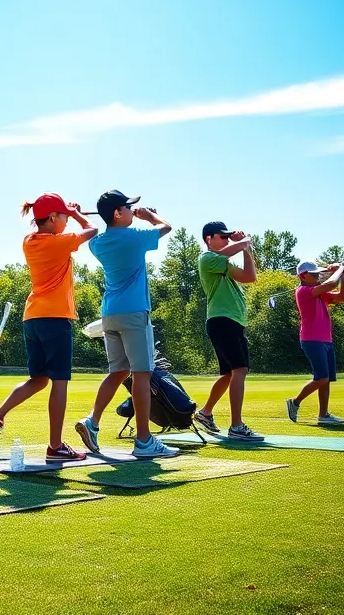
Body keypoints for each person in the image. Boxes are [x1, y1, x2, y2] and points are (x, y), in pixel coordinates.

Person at [0, 193, 97, 461]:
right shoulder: (59, 243)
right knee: (59, 381)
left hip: (32, 317)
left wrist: (69, 212)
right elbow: (93, 230)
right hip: (55, 318)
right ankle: (55, 446)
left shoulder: (30, 241)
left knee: (39, 379)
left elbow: (67, 231)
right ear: (52, 218)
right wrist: (79, 215)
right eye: (63, 217)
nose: (67, 221)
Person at [73, 190, 179, 459]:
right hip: (134, 313)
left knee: (118, 372)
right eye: (129, 208)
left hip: (110, 315)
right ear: (118, 214)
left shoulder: (97, 244)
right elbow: (165, 227)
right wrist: (149, 215)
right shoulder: (133, 237)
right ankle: (144, 441)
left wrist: (75, 215)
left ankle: (92, 421)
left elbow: (93, 230)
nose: (133, 211)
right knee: (142, 374)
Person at [194, 221, 263, 441]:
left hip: (231, 321)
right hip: (222, 320)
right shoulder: (208, 258)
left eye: (226, 236)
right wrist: (243, 241)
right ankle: (237, 426)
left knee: (228, 375)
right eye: (221, 236)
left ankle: (205, 413)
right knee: (240, 370)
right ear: (208, 239)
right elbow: (228, 250)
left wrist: (246, 249)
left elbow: (250, 277)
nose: (225, 239)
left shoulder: (222, 260)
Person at [286, 261, 344, 425]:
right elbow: (330, 283)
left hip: (326, 340)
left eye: (318, 273)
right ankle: (295, 402)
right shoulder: (304, 291)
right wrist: (341, 268)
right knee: (321, 378)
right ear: (303, 276)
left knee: (326, 379)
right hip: (311, 339)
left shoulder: (318, 292)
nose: (318, 276)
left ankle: (323, 415)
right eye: (314, 274)